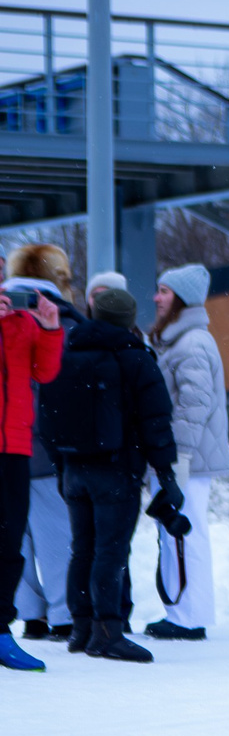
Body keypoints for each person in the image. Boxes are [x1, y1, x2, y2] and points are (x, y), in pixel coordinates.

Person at [37, 283, 183, 664]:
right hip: (116, 472)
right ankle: (109, 632)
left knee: (82, 548)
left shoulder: (66, 352)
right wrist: (165, 473)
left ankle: (82, 628)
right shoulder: (135, 358)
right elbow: (156, 421)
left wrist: (61, 464)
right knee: (111, 551)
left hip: (74, 470)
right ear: (128, 321)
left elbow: (47, 418)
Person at [143, 264, 224, 641]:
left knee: (185, 533)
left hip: (187, 459)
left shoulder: (192, 343)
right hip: (185, 457)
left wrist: (179, 459)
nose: (157, 298)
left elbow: (194, 405)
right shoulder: (182, 340)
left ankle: (189, 618)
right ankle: (185, 613)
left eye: (164, 291)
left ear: (182, 298)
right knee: (181, 532)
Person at [10, 245, 79, 641]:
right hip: (49, 452)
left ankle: (30, 613)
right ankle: (62, 613)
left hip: (9, 448)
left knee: (16, 538)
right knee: (55, 538)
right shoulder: (64, 325)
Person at [1, 259, 67, 671]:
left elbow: (45, 371)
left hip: (15, 446)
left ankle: (1, 630)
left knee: (8, 543)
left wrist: (49, 329)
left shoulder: (21, 322)